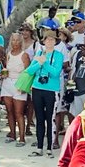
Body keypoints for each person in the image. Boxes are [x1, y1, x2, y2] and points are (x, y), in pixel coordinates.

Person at [25, 28, 65, 157]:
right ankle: (39, 147)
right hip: (37, 88)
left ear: (55, 41)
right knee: (39, 118)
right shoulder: (39, 53)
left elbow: (55, 73)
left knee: (50, 118)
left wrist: (45, 63)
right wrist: (39, 63)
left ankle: (49, 148)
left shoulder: (58, 55)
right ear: (44, 41)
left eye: (52, 39)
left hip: (51, 90)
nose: (49, 42)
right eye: (47, 39)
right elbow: (30, 70)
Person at [0, 33, 30, 146]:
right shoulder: (8, 54)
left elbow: (28, 73)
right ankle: (12, 134)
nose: (15, 42)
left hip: (19, 84)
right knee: (9, 111)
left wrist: (25, 87)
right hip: (7, 82)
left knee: (19, 112)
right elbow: (7, 68)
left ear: (20, 42)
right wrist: (3, 75)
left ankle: (22, 137)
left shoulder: (24, 55)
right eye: (13, 40)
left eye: (17, 40)